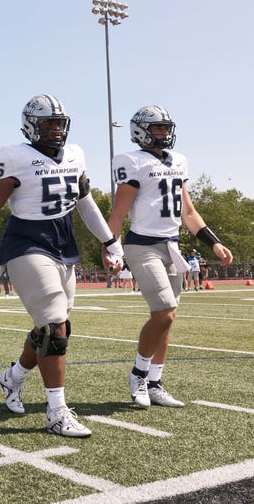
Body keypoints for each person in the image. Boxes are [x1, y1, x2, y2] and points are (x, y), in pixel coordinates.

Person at [0, 94, 123, 438]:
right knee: (53, 326)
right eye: (47, 123)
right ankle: (56, 412)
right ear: (31, 125)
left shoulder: (75, 154)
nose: (54, 129)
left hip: (62, 242)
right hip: (26, 240)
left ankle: (13, 377)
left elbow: (86, 203)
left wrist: (109, 242)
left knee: (56, 327)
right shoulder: (14, 156)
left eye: (58, 123)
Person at [106, 105, 233, 409]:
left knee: (165, 321)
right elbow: (119, 213)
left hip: (171, 245)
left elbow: (187, 212)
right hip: (143, 246)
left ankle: (155, 383)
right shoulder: (132, 162)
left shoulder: (179, 161)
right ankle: (138, 375)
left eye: (165, 128)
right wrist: (110, 248)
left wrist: (212, 243)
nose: (163, 133)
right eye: (157, 128)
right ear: (141, 131)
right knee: (165, 311)